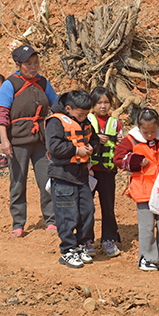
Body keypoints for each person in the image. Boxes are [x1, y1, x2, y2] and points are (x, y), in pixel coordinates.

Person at [0, 45, 59, 237]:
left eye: (36, 62)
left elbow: (57, 106)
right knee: (18, 182)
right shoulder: (10, 84)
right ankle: (18, 224)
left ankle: (52, 221)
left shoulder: (43, 83)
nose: (33, 67)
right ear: (18, 65)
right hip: (18, 141)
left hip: (41, 140)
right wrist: (4, 141)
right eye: (28, 64)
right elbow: (2, 114)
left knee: (47, 180)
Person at [115, 108, 159, 272]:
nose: (150, 135)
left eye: (153, 131)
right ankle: (148, 257)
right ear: (138, 128)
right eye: (146, 132)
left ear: (158, 126)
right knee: (147, 225)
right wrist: (135, 161)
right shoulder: (131, 139)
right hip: (143, 188)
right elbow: (118, 158)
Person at [45, 90, 96, 269]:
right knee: (67, 215)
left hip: (81, 175)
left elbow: (94, 139)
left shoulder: (85, 121)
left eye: (86, 114)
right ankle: (68, 250)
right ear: (68, 108)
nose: (83, 118)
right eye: (80, 114)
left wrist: (91, 148)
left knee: (87, 211)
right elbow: (54, 147)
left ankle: (81, 245)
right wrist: (76, 150)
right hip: (63, 175)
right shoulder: (56, 122)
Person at [87, 87, 122, 258]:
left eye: (106, 102)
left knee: (108, 207)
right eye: (99, 102)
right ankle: (86, 240)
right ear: (92, 104)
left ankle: (108, 239)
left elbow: (121, 144)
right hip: (90, 172)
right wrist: (95, 138)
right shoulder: (86, 120)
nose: (103, 106)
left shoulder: (115, 123)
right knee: (86, 207)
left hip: (108, 171)